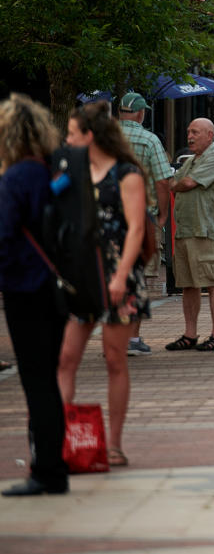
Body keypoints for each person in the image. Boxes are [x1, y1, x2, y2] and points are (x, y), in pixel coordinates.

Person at [56, 102, 149, 469]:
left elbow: (137, 228)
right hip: (81, 272)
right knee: (65, 358)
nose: (66, 140)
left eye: (72, 133)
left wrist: (122, 274)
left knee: (114, 360)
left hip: (115, 273)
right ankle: (60, 439)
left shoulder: (127, 174)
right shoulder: (71, 172)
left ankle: (115, 443)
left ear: (89, 135)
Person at [0, 95, 69, 496]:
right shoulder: (49, 171)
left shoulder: (14, 179)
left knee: (36, 382)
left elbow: (5, 235)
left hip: (24, 287)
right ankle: (50, 466)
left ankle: (47, 471)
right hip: (54, 287)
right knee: (48, 380)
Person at [165, 118, 214, 352]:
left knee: (213, 282)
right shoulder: (192, 160)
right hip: (185, 230)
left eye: (195, 132)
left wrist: (173, 184)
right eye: (188, 132)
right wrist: (174, 183)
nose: (189, 136)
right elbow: (177, 180)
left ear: (210, 135)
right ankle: (190, 334)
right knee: (188, 284)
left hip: (204, 230)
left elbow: (186, 183)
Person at [117, 92, 172, 355]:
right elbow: (163, 181)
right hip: (140, 217)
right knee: (137, 276)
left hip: (107, 219)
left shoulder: (103, 137)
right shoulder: (149, 140)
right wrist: (161, 215)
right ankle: (133, 339)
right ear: (141, 114)